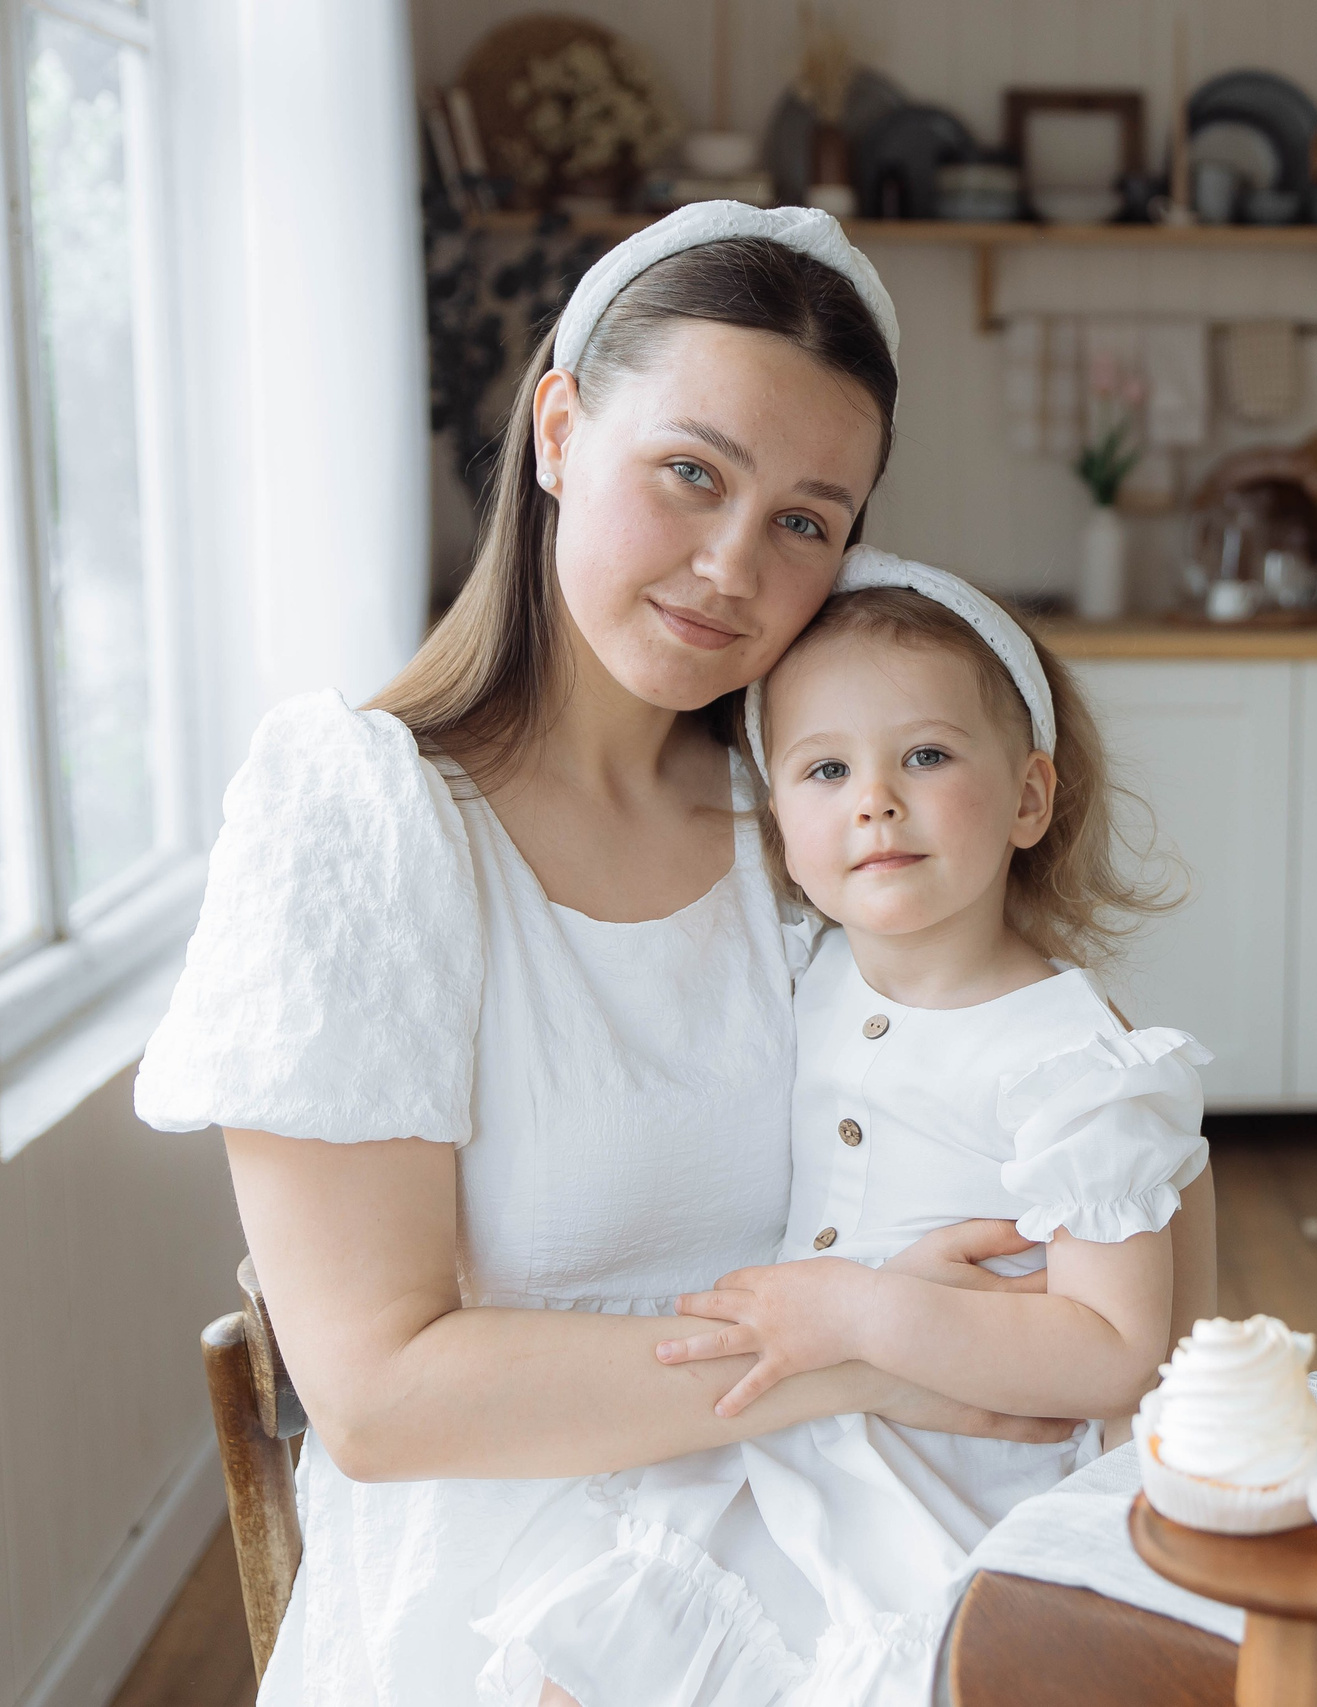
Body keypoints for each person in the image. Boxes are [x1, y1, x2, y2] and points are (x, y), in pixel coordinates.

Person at [132, 204, 1218, 1705]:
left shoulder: (801, 819)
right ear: (559, 430)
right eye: (692, 473)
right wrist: (866, 1354)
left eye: (805, 521)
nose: (729, 565)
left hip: (841, 1534)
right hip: (512, 1587)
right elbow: (377, 1398)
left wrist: (1015, 1338)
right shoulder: (364, 819)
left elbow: (1104, 1140)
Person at [477, 553, 1206, 1705]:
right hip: (780, 1450)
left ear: (1028, 797)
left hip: (953, 1487)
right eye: (826, 769)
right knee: (590, 1669)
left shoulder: (1072, 1062)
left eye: (926, 755)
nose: (874, 799)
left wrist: (862, 1311)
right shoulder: (804, 976)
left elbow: (1116, 1352)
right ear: (779, 825)